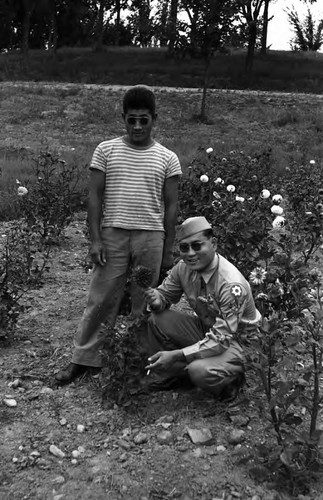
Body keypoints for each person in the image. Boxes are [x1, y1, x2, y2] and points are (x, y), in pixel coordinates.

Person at [55, 85, 182, 385]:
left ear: (155, 119)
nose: (137, 126)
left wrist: (167, 250)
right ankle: (84, 359)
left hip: (150, 236)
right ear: (123, 118)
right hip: (113, 235)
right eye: (131, 120)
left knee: (144, 301)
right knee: (101, 298)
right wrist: (95, 239)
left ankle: (135, 359)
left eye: (144, 120)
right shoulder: (106, 150)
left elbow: (172, 206)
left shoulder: (168, 158)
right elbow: (94, 197)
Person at [143, 216, 261, 400]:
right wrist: (158, 300)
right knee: (157, 319)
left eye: (197, 246)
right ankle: (178, 376)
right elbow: (165, 295)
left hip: (239, 342)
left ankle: (231, 381)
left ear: (213, 244)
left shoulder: (230, 285)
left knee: (200, 370)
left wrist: (177, 354)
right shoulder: (183, 268)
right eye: (184, 247)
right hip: (209, 330)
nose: (190, 253)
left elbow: (223, 339)